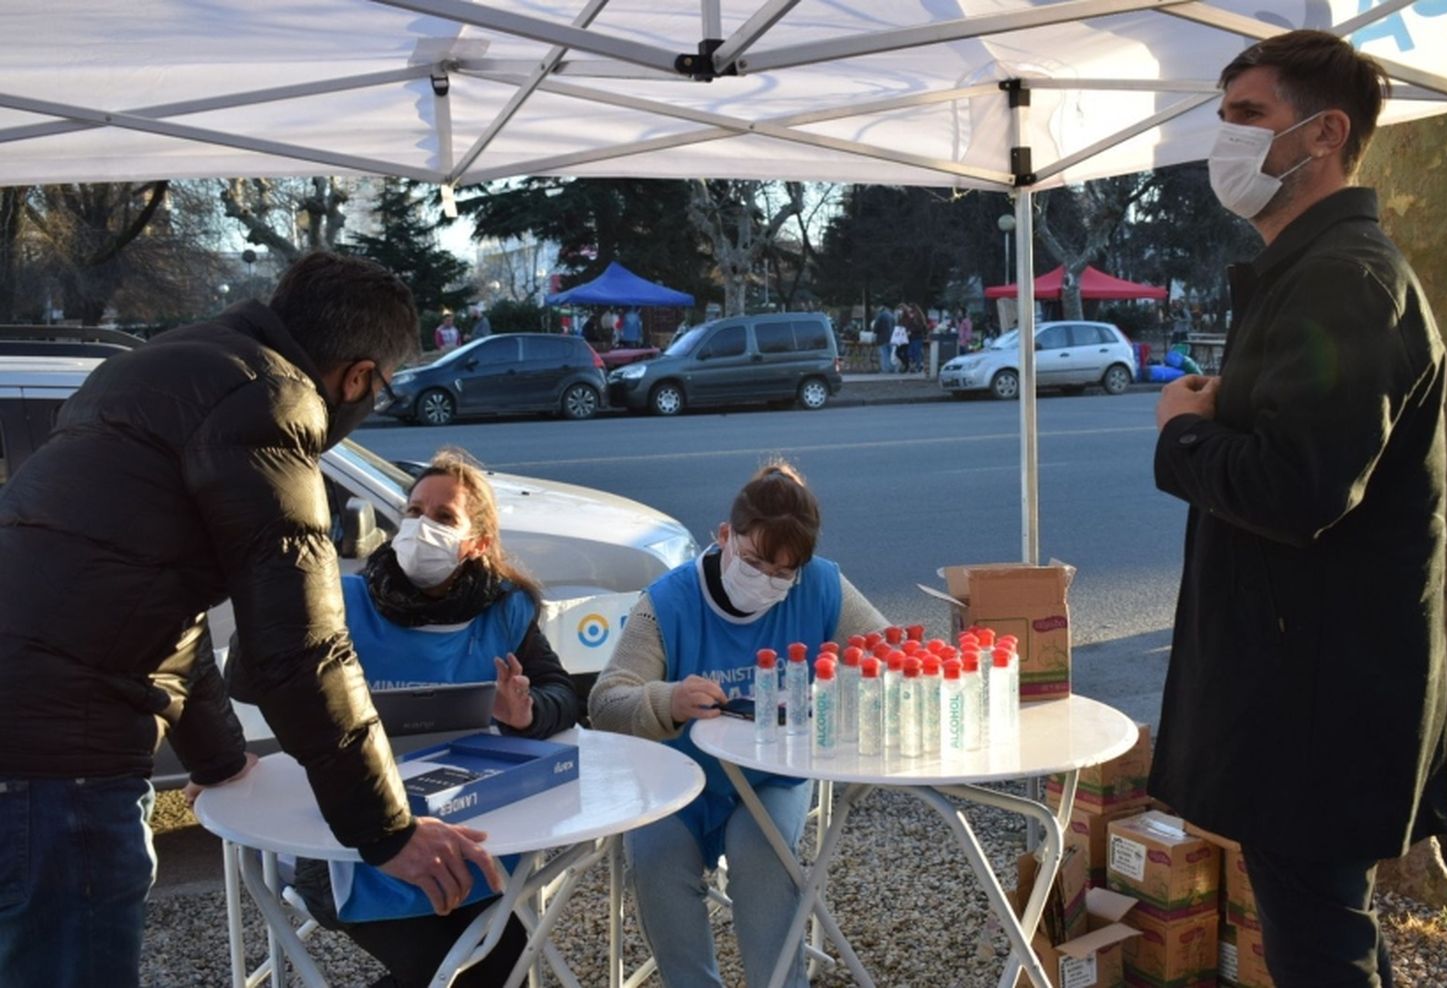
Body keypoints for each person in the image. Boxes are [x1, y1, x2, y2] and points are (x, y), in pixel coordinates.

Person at [0, 252, 500, 987]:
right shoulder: (272, 399)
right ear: (358, 376)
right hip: (61, 757)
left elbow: (163, 600)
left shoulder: (158, 363)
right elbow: (302, 649)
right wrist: (387, 832)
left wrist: (220, 760)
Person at [1151, 30, 1447, 988]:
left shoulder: (1342, 276)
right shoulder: (1316, 270)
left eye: (1248, 116)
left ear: (1323, 134)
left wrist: (1182, 432)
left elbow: (1298, 487)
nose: (1224, 141)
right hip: (1312, 685)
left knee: (1321, 948)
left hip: (1317, 700)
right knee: (1327, 932)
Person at [589, 463, 887, 988]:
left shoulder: (820, 585)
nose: (766, 581)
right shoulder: (667, 601)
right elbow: (607, 702)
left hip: (772, 774)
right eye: (752, 561)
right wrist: (670, 700)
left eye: (783, 572)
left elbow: (889, 653)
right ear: (725, 535)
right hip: (677, 777)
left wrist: (850, 680)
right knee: (658, 865)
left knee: (764, 859)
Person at [292, 448, 579, 988]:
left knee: (501, 959)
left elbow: (562, 692)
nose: (421, 527)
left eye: (443, 518)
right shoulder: (342, 600)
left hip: (469, 827)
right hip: (355, 838)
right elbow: (261, 677)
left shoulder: (504, 609)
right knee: (462, 968)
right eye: (414, 511)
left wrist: (526, 711)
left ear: (477, 543)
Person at [871, 304, 895, 373]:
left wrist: (874, 331)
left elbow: (876, 328)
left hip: (882, 338)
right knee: (891, 354)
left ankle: (885, 369)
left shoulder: (880, 316)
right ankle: (892, 368)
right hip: (891, 338)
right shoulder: (891, 315)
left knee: (884, 355)